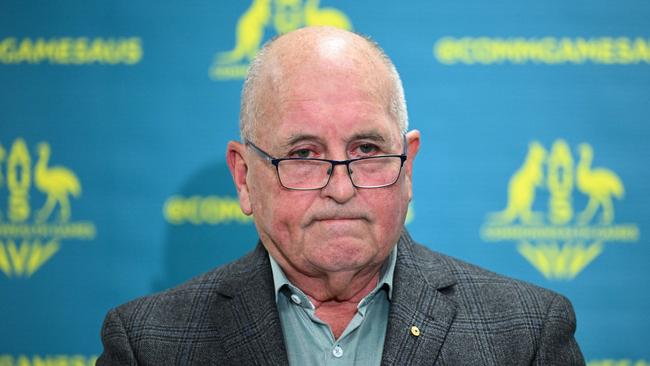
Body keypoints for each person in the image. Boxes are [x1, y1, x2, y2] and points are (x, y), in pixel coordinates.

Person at [97, 26, 585, 365]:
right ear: (245, 178)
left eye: (367, 149)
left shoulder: (526, 336)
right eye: (304, 154)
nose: (341, 187)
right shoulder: (149, 345)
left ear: (408, 165)